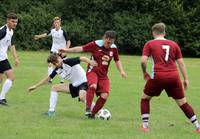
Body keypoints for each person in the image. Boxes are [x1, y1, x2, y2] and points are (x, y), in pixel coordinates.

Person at [140, 22, 200, 133]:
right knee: (183, 102)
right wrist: (186, 79)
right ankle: (198, 126)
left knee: (145, 98)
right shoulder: (174, 44)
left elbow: (143, 61)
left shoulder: (149, 44)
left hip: (158, 76)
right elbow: (181, 63)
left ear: (153, 33)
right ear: (164, 33)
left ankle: (145, 126)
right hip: (174, 76)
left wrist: (144, 72)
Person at [59, 30, 127, 118]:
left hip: (103, 75)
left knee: (105, 95)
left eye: (110, 42)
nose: (108, 44)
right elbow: (80, 48)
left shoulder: (113, 48)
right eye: (107, 41)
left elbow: (117, 60)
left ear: (113, 41)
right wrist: (66, 50)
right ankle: (88, 108)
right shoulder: (95, 44)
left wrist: (121, 71)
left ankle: (93, 113)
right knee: (92, 86)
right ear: (104, 38)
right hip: (92, 72)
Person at [28, 53, 97, 117]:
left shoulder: (68, 61)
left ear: (59, 58)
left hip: (84, 82)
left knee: (82, 98)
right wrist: (36, 86)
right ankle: (51, 112)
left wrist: (91, 62)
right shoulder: (57, 69)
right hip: (74, 85)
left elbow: (82, 58)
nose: (57, 64)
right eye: (54, 63)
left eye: (57, 61)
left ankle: (99, 112)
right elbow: (48, 78)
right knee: (54, 88)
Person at [34, 16, 71, 83]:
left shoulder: (63, 31)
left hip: (61, 51)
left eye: (58, 22)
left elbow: (68, 42)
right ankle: (50, 80)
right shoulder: (52, 30)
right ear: (53, 23)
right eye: (55, 22)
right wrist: (39, 36)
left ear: (60, 23)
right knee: (50, 63)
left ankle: (62, 80)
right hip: (53, 49)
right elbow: (46, 34)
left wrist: (66, 50)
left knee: (63, 65)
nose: (56, 24)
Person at [0, 13, 20, 105]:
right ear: (8, 20)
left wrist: (16, 58)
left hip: (3, 57)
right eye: (13, 21)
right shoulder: (3, 31)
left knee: (0, 80)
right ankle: (1, 98)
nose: (15, 23)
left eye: (16, 22)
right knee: (11, 77)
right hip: (1, 59)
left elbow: (11, 45)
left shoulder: (11, 31)